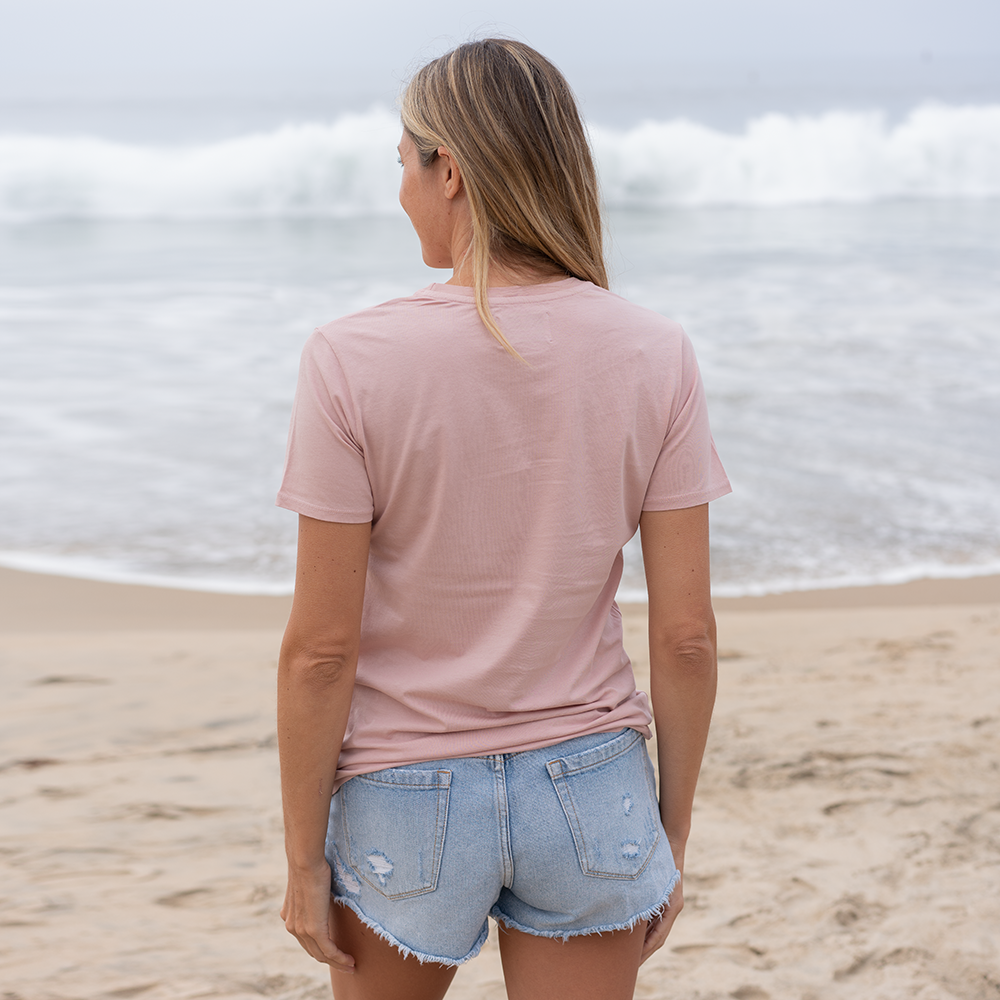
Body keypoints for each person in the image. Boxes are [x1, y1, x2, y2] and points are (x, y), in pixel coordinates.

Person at [275, 38, 731, 1000]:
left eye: (404, 164)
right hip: (592, 785)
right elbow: (686, 635)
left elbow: (321, 650)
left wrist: (304, 859)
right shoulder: (655, 351)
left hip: (404, 791)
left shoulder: (350, 357)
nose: (401, 192)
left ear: (448, 170)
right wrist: (672, 830)